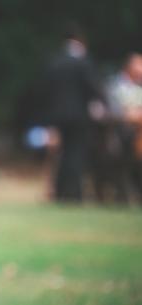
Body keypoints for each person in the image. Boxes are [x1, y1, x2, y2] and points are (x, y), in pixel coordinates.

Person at [40, 23, 105, 202]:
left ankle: (60, 192)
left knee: (61, 154)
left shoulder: (55, 61)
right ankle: (74, 194)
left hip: (57, 117)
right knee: (76, 153)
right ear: (80, 42)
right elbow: (93, 88)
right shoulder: (83, 62)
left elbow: (46, 92)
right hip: (78, 116)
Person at [104, 52, 142, 203]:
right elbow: (110, 108)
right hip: (120, 130)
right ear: (129, 67)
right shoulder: (114, 85)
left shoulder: (140, 87)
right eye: (138, 65)